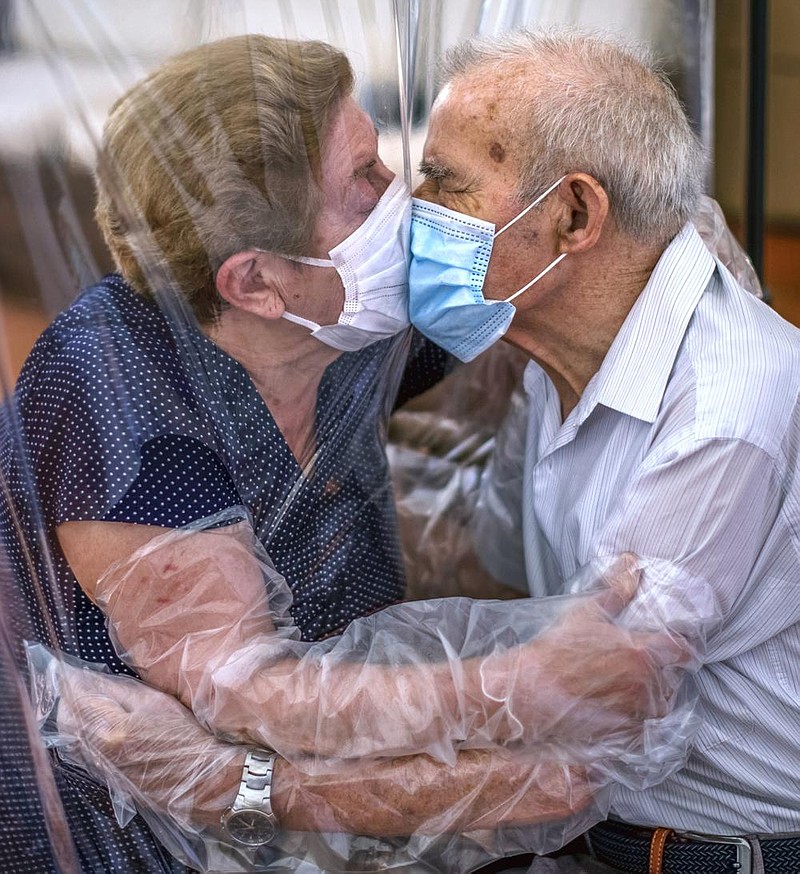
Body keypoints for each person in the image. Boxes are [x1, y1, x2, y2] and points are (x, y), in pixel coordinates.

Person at [6, 32, 687, 874]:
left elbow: (532, 292)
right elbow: (246, 700)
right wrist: (523, 689)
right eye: (363, 184)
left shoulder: (342, 321)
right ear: (255, 282)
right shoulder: (118, 389)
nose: (399, 197)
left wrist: (670, 234)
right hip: (128, 842)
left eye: (381, 158)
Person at [403, 27, 800, 873]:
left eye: (445, 183)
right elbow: (498, 569)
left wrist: (256, 748)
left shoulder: (723, 409)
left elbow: (578, 697)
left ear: (573, 214)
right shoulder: (550, 360)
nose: (414, 209)